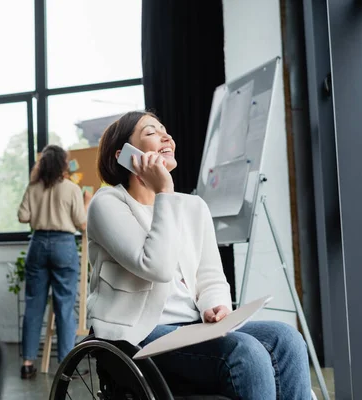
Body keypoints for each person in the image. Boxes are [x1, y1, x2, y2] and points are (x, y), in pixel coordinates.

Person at [85, 111, 312, 399]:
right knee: (247, 353)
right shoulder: (107, 204)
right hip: (136, 335)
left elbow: (210, 276)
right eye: (151, 132)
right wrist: (163, 191)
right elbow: (158, 266)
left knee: (287, 339)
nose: (167, 137)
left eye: (165, 130)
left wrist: (214, 304)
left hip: (191, 328)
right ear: (125, 155)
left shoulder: (193, 207)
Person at [17, 144, 91, 379]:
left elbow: (23, 217)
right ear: (63, 164)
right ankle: (65, 367)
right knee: (64, 307)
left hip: (37, 244)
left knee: (33, 306)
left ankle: (28, 363)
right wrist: (87, 202)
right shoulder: (70, 188)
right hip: (63, 245)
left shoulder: (33, 187)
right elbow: (82, 223)